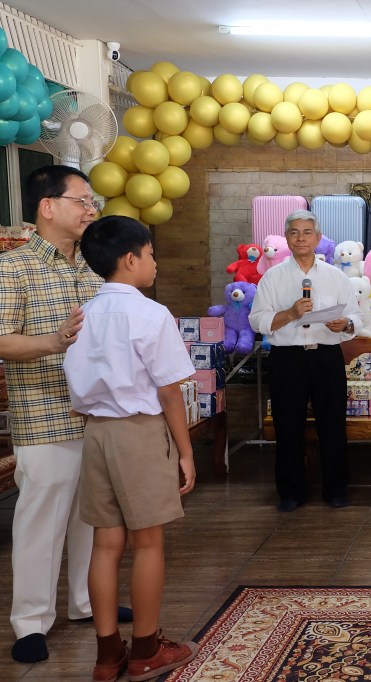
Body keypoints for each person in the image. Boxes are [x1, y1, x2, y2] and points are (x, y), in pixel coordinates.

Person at [0, 165, 131, 664]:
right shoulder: (14, 268)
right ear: (48, 206)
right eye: (82, 200)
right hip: (44, 415)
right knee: (41, 523)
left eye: (93, 201)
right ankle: (31, 623)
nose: (91, 209)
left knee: (92, 518)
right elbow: (2, 339)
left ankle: (86, 602)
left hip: (98, 415)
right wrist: (53, 342)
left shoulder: (94, 267)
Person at [63, 215, 199, 681]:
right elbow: (169, 392)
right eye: (151, 254)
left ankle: (107, 656)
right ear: (129, 259)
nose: (155, 264)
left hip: (95, 432)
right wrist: (185, 451)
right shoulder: (150, 313)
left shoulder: (83, 313)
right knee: (148, 542)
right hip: (138, 432)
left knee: (105, 544)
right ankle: (145, 649)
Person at [249, 210, 361, 512]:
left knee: (333, 423)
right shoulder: (272, 277)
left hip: (326, 356)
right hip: (287, 358)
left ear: (318, 238)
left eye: (307, 232)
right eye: (294, 232)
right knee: (287, 425)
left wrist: (345, 324)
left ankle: (336, 489)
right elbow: (257, 320)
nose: (301, 238)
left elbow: (356, 316)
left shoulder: (336, 277)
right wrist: (290, 314)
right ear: (287, 238)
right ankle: (291, 492)